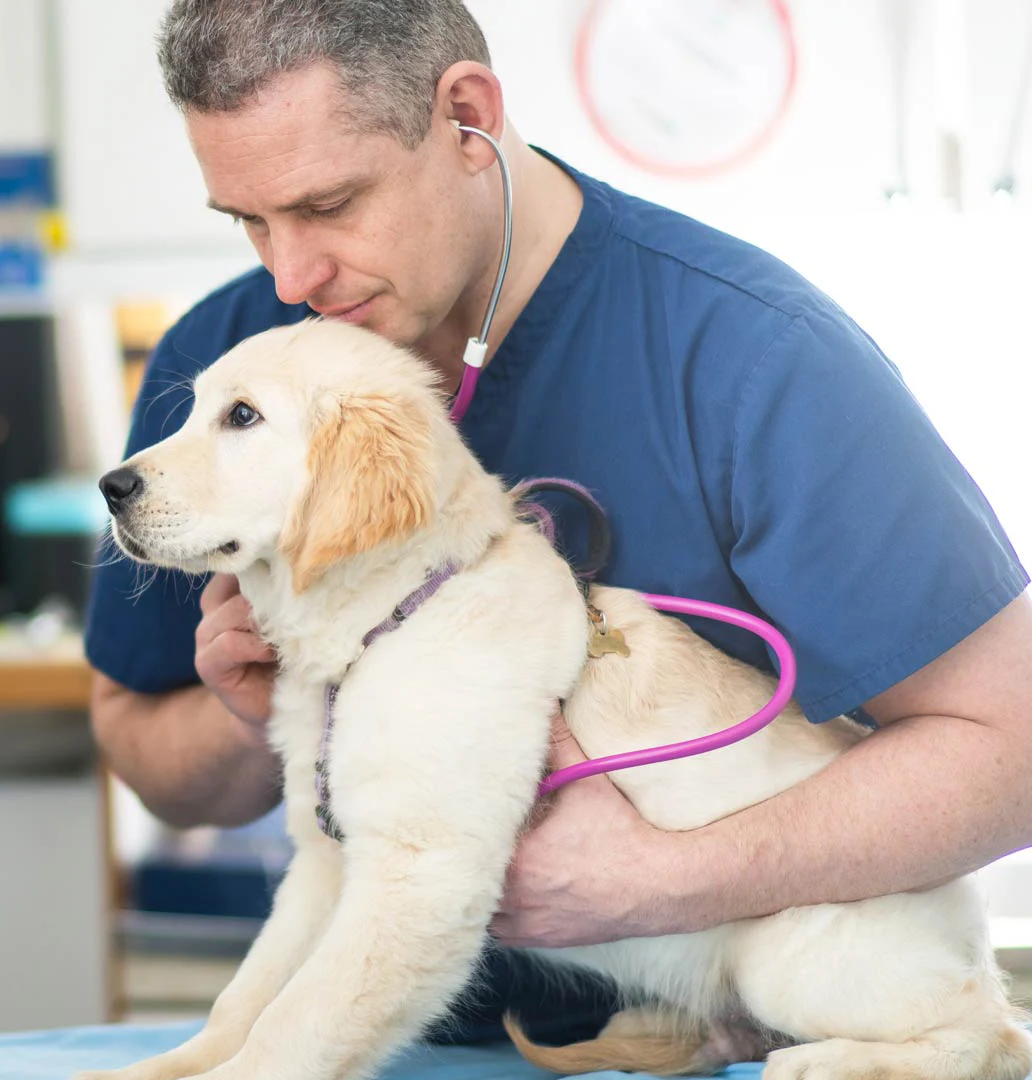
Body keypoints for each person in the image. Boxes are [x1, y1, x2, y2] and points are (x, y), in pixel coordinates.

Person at [85, 0, 1032, 1046]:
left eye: (332, 204)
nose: (288, 277)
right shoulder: (229, 358)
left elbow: (1015, 748)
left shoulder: (752, 360)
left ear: (467, 117)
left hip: (745, 1008)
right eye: (250, 220)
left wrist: (669, 881)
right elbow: (141, 751)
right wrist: (257, 718)